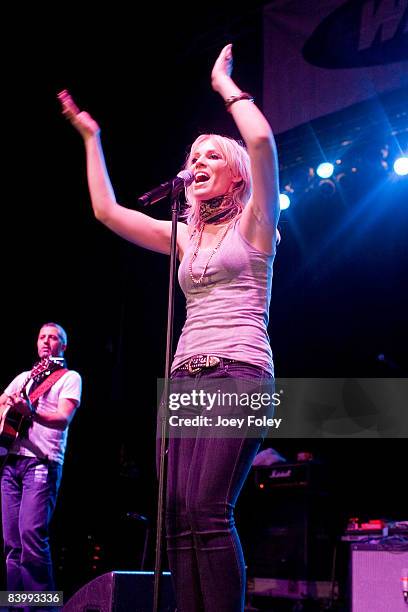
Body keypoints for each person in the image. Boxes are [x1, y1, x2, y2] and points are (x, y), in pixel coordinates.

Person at [59, 42, 279, 612]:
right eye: (193, 155)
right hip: (185, 379)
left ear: (235, 178)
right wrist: (92, 139)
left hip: (240, 373)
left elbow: (260, 141)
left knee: (207, 509)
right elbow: (108, 212)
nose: (197, 162)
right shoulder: (185, 233)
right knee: (177, 517)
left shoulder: (257, 222)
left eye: (211, 156)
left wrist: (224, 86)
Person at [0, 323, 82, 607]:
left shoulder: (69, 378)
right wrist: (8, 405)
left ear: (64, 346)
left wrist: (31, 412)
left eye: (54, 337)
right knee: (12, 545)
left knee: (31, 539)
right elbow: (2, 402)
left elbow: (63, 418)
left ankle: (42, 606)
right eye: (42, 337)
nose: (46, 341)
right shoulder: (25, 377)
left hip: (42, 463)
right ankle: (17, 604)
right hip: (11, 462)